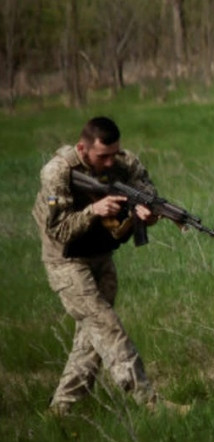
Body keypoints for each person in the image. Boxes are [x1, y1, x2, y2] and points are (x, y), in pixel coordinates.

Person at [33, 116, 186, 415]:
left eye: (113, 154)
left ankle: (62, 410)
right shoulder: (58, 172)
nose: (109, 162)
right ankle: (149, 402)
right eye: (102, 156)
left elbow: (147, 194)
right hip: (65, 260)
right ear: (82, 148)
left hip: (101, 255)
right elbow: (59, 231)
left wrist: (147, 213)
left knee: (92, 339)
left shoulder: (125, 164)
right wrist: (93, 210)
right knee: (106, 326)